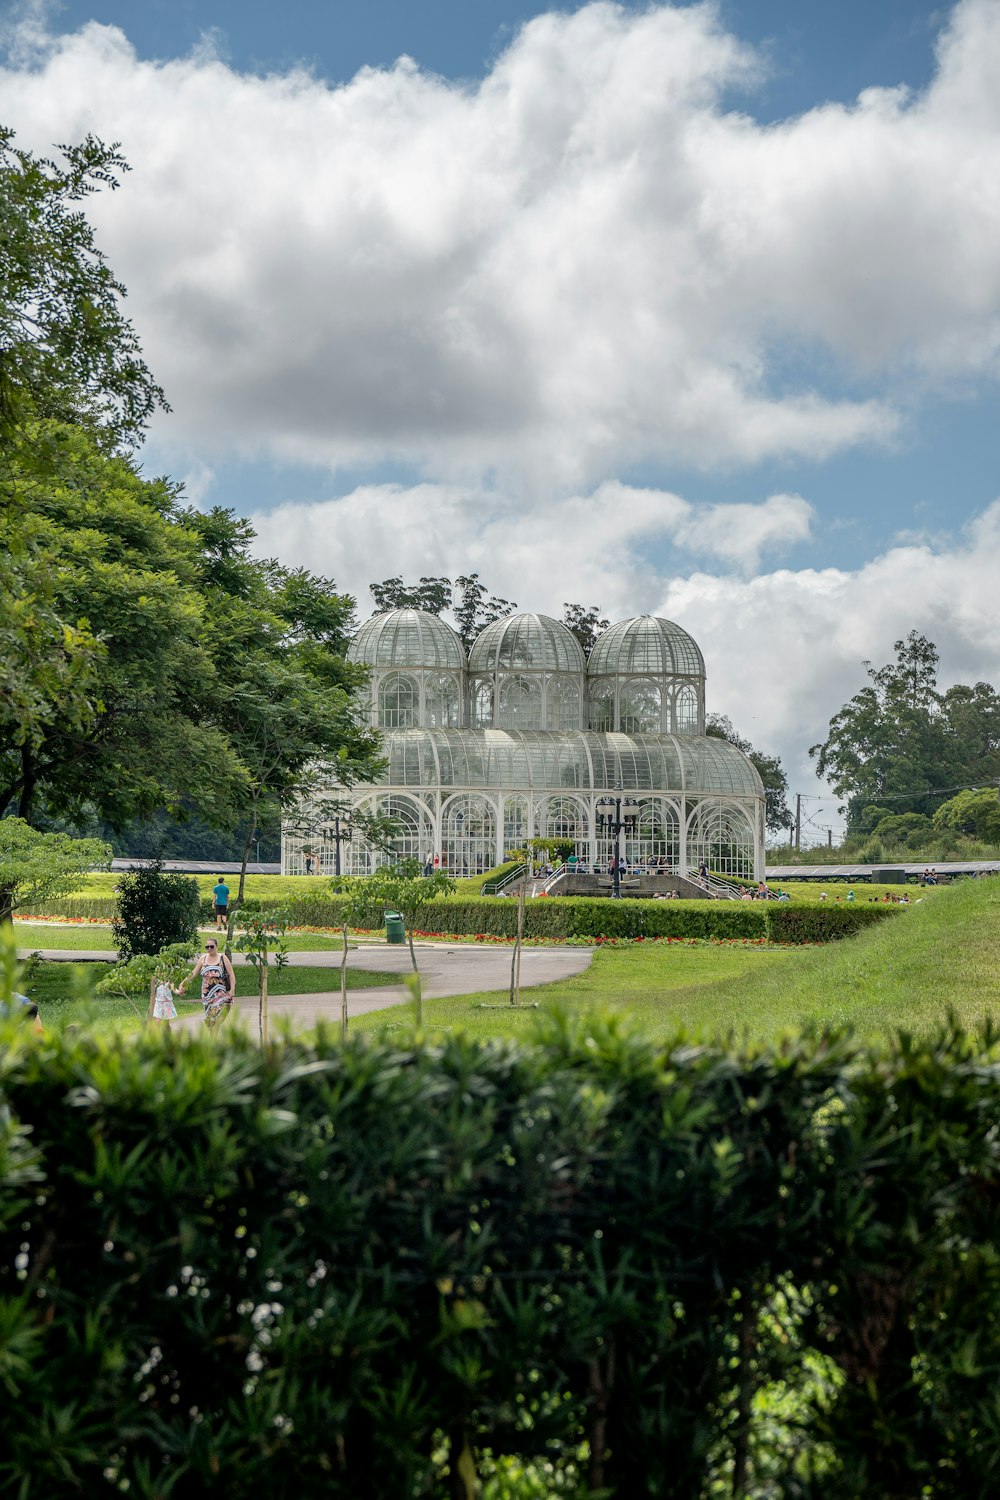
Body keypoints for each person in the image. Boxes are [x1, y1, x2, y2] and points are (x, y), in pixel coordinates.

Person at [178, 937, 236, 1031]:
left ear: (216, 947)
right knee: (212, 1020)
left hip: (221, 993)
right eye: (207, 947)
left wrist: (232, 989)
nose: (209, 949)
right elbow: (193, 974)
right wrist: (182, 983)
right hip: (207, 994)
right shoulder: (203, 959)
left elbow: (231, 974)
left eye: (211, 946)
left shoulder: (223, 958)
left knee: (219, 1014)